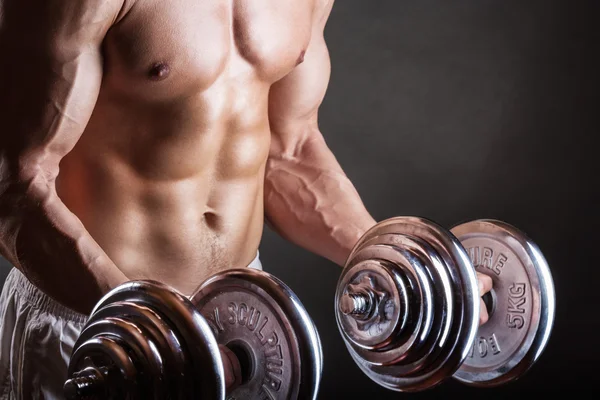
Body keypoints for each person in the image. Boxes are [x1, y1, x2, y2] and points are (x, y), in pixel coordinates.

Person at [0, 0, 493, 397]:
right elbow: (16, 185)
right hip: (98, 325)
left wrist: (403, 265)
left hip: (242, 325)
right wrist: (159, 328)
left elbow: (288, 150)